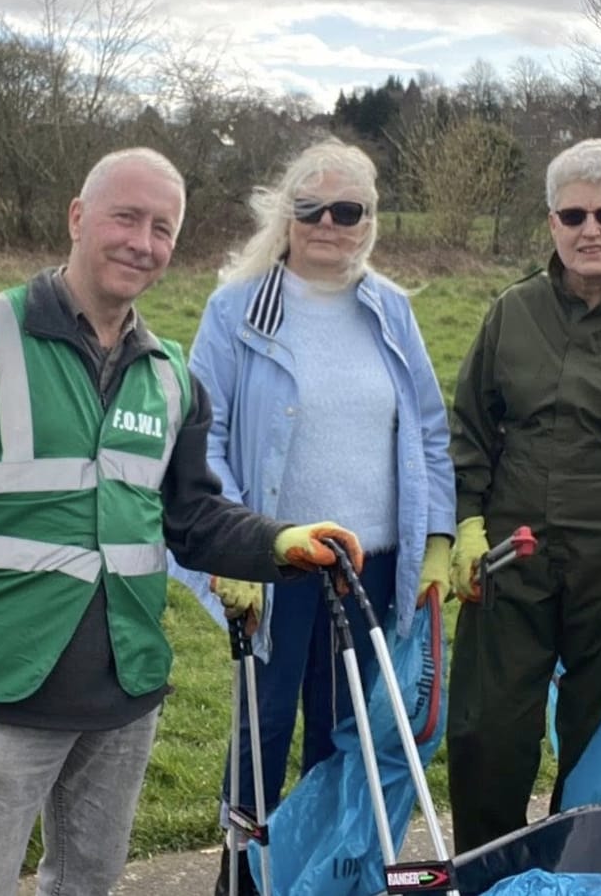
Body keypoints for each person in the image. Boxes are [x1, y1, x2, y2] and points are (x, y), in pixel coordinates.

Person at [0, 146, 364, 896]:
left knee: (88, 881)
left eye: (162, 228)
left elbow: (193, 515)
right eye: (126, 216)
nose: (142, 242)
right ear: (78, 217)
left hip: (123, 691)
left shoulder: (171, 375)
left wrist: (278, 541)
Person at [171, 139, 455, 894]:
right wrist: (232, 555)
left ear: (369, 219)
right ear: (286, 214)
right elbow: (204, 438)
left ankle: (330, 877)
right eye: (312, 208)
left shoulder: (390, 308)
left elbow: (428, 429)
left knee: (349, 739)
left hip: (374, 565)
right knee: (260, 734)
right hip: (276, 562)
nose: (329, 223)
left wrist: (438, 540)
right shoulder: (237, 308)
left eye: (348, 209)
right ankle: (248, 878)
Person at [444, 138, 601, 851]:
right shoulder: (510, 313)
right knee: (488, 729)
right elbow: (470, 430)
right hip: (511, 557)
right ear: (551, 222)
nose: (591, 229)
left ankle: (582, 869)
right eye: (573, 213)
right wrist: (465, 523)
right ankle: (490, 869)